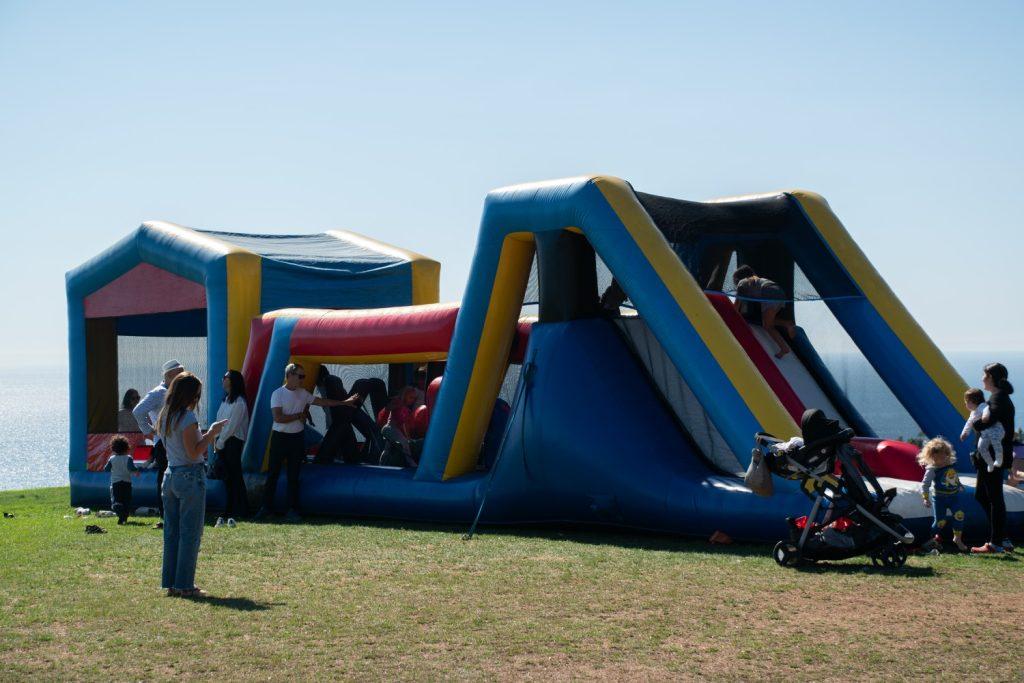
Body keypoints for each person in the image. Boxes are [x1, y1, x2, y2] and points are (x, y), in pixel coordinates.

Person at [157, 372, 226, 597]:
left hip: (170, 476)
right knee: (190, 533)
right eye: (196, 394)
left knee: (172, 532)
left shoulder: (165, 415)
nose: (197, 398)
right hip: (189, 476)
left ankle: (171, 583)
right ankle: (185, 585)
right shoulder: (187, 418)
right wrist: (212, 433)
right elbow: (194, 451)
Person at [255, 363, 352, 521]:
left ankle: (292, 509)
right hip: (280, 437)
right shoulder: (278, 393)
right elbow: (278, 417)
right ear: (290, 376)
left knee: (294, 475)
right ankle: (266, 508)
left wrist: (344, 402)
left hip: (296, 438)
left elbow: (322, 401)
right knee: (273, 474)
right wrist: (298, 416)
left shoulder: (303, 393)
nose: (302, 380)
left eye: (303, 376)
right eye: (300, 376)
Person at [969, 362, 1016, 554]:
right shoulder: (999, 397)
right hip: (991, 456)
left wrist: (976, 422)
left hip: (993, 457)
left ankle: (996, 543)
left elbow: (991, 418)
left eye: (985, 375)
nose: (982, 379)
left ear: (992, 379)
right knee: (982, 495)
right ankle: (1002, 538)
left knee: (994, 497)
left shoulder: (998, 398)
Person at [133, 360, 185, 526]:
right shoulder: (158, 393)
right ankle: (165, 514)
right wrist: (148, 430)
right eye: (180, 373)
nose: (183, 376)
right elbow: (138, 411)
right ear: (170, 375)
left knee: (175, 477)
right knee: (164, 479)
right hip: (163, 443)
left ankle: (174, 513)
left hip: (175, 441)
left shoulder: (175, 391)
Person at [732, 265, 796, 359]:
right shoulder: (757, 279)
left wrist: (732, 317)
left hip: (769, 293)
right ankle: (787, 323)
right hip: (780, 293)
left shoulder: (742, 283)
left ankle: (784, 348)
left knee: (767, 326)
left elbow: (737, 305)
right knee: (768, 321)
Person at [918, 437, 969, 553]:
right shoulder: (932, 469)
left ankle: (957, 538)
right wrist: (925, 498)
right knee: (941, 522)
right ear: (932, 457)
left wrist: (959, 485)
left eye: (944, 456)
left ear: (947, 454)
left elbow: (953, 476)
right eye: (938, 458)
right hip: (940, 498)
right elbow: (925, 485)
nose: (942, 460)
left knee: (959, 515)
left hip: (954, 496)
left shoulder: (950, 464)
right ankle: (930, 538)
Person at [213, 370, 249, 528]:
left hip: (232, 441)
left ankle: (239, 509)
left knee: (234, 475)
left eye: (226, 377)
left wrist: (220, 442)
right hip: (222, 441)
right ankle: (232, 508)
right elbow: (220, 421)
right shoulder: (226, 400)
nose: (223, 379)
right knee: (228, 476)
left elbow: (232, 426)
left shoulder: (239, 402)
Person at [960, 388, 1005, 472]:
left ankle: (999, 458)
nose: (966, 404)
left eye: (967, 402)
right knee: (981, 447)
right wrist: (964, 433)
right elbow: (969, 423)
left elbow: (986, 409)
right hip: (985, 435)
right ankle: (990, 463)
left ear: (974, 401)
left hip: (996, 430)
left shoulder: (982, 406)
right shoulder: (973, 413)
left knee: (995, 440)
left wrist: (985, 416)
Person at [103, 435, 139, 525]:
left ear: (113, 448)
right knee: (126, 501)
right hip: (127, 483)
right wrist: (136, 471)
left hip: (116, 483)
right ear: (126, 447)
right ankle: (124, 517)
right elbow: (132, 468)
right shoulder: (128, 458)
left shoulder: (112, 459)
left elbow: (106, 469)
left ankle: (118, 511)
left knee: (116, 500)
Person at [382, 386, 419, 467]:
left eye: (414, 398)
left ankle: (382, 462)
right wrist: (408, 437)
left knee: (388, 448)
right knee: (404, 442)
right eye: (410, 397)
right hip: (389, 428)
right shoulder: (399, 403)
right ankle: (411, 463)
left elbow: (404, 424)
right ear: (404, 396)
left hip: (391, 430)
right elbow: (388, 408)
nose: (412, 400)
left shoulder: (406, 409)